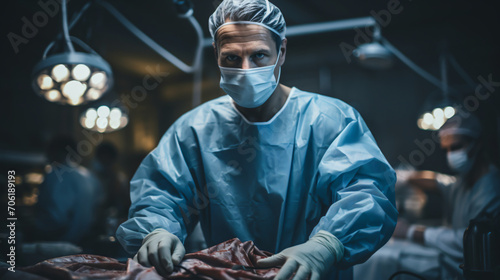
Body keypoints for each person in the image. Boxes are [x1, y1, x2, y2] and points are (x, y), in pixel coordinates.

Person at [116, 0, 397, 279]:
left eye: (259, 55)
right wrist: (156, 230)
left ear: (282, 51)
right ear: (216, 54)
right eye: (232, 58)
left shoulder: (331, 120)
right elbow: (161, 194)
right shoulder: (193, 129)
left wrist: (327, 245)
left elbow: (366, 193)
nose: (246, 70)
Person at [354, 113, 500, 280]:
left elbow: (465, 243)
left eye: (456, 147)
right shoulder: (464, 182)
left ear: (477, 144)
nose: (451, 155)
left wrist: (410, 232)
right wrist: (403, 177)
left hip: (461, 267)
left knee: (378, 259)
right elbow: (438, 181)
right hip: (450, 256)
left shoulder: (492, 189)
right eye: (446, 149)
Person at [35, 135, 101, 245]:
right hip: (84, 243)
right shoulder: (88, 175)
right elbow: (98, 207)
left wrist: (35, 227)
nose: (47, 156)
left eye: (49, 151)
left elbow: (57, 218)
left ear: (57, 152)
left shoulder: (56, 175)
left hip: (59, 245)